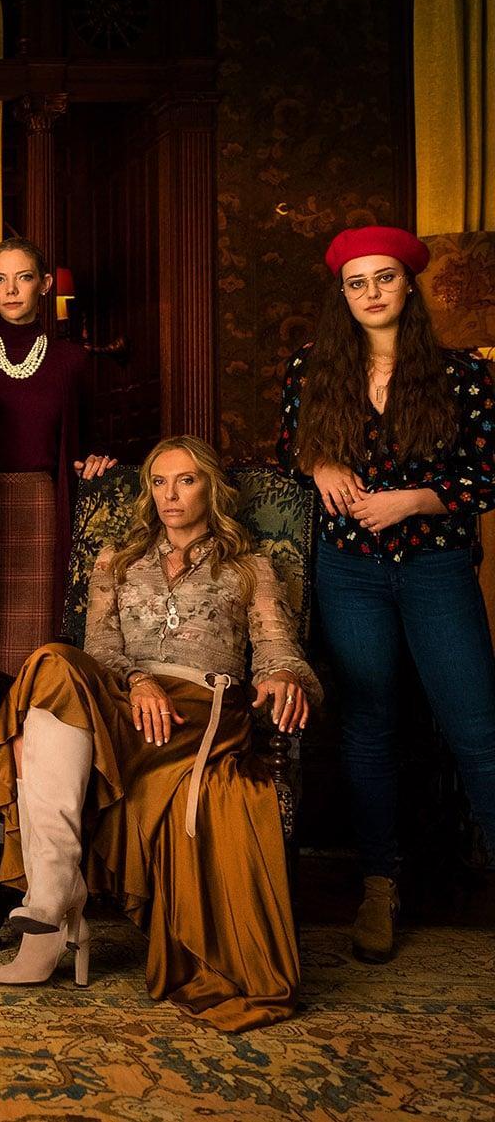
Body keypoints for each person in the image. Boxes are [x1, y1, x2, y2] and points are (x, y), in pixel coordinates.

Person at [0, 435, 317, 1032]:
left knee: (36, 732)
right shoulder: (117, 560)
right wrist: (137, 682)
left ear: (211, 488)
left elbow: (276, 648)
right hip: (126, 699)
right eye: (159, 482)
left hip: (201, 708)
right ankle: (52, 898)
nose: (170, 495)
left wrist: (283, 677)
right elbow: (100, 652)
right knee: (53, 666)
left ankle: (51, 914)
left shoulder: (249, 566)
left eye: (185, 480)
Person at [278, 225, 495, 965]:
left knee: (476, 727)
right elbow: (288, 447)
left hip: (436, 566)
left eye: (385, 277)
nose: (371, 292)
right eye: (357, 282)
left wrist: (416, 500)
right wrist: (319, 462)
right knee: (369, 725)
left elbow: (486, 476)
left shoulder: (462, 374)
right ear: (343, 293)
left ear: (409, 284)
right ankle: (380, 884)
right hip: (350, 570)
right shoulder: (312, 368)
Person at [0, 237, 113, 675]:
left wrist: (97, 460)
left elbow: (92, 440)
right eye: (0, 280)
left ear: (45, 284)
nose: (12, 290)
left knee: (34, 644)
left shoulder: (71, 360)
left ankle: (28, 717)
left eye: (24, 277)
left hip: (40, 507)